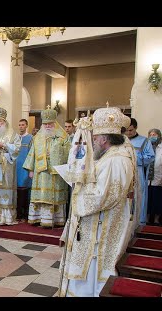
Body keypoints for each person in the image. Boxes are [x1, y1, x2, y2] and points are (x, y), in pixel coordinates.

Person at [59, 106, 136, 297]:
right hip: (98, 224)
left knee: (94, 267)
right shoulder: (111, 157)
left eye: (94, 139)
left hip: (101, 227)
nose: (93, 143)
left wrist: (78, 189)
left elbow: (102, 196)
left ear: (103, 139)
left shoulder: (115, 160)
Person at [23, 107, 70, 228]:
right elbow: (32, 153)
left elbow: (69, 152)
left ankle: (55, 219)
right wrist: (31, 169)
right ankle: (38, 218)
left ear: (54, 123)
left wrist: (55, 153)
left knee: (55, 197)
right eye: (45, 124)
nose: (48, 126)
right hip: (41, 172)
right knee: (41, 196)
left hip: (56, 172)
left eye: (50, 124)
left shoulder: (63, 137)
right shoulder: (37, 137)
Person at [125, 118, 155, 225]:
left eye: (131, 130)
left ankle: (138, 221)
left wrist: (135, 158)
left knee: (138, 195)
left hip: (137, 173)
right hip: (124, 172)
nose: (128, 133)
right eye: (126, 130)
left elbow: (150, 157)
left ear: (136, 128)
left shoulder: (144, 141)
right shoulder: (122, 140)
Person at [16, 119, 33, 223]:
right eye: (19, 125)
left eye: (23, 125)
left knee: (25, 192)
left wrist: (31, 169)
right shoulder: (16, 138)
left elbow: (32, 154)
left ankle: (25, 214)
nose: (21, 127)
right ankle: (18, 213)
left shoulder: (31, 138)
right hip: (16, 168)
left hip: (25, 169)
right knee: (17, 192)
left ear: (26, 126)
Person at [147, 128, 162, 225]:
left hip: (158, 177)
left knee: (158, 199)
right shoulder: (146, 146)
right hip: (147, 179)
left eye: (155, 135)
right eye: (151, 135)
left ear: (159, 136)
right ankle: (147, 218)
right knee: (148, 199)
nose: (153, 136)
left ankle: (157, 219)